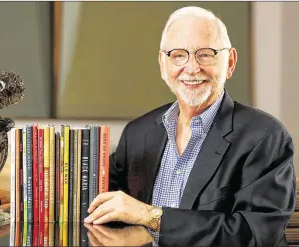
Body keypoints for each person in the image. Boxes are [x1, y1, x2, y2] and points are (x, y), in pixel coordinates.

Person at [85, 6, 296, 247]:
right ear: (163, 64)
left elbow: (254, 235)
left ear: (230, 62)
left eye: (205, 54)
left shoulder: (264, 136)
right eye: (178, 55)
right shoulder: (138, 133)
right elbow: (95, 201)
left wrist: (151, 216)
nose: (192, 68)